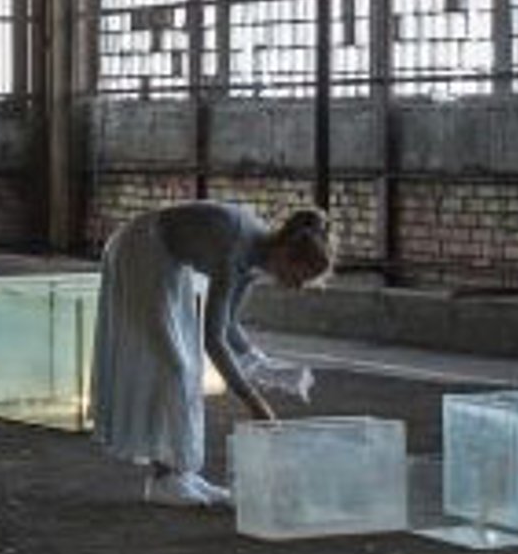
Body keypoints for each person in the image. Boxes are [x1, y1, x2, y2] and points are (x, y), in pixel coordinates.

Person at [91, 199, 335, 507]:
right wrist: (254, 402)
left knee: (187, 368)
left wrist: (266, 366)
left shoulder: (255, 260)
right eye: (299, 277)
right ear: (286, 253)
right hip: (141, 246)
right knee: (173, 366)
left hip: (166, 256)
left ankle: (182, 471)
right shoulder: (237, 249)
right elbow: (214, 339)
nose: (298, 287)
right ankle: (163, 479)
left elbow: (229, 326)